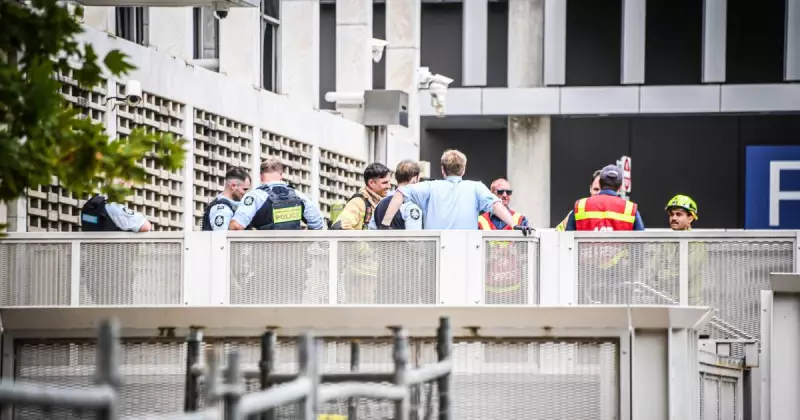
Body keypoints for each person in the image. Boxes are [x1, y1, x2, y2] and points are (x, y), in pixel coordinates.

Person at [377, 149, 530, 235]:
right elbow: (496, 205)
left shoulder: (430, 187)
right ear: (463, 169)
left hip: (436, 251)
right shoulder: (476, 187)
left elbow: (400, 193)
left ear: (442, 169)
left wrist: (385, 225)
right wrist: (514, 225)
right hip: (467, 250)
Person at [229, 157, 325, 230]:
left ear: (261, 176)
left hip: (264, 253)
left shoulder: (256, 196)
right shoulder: (299, 196)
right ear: (281, 175)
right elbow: (318, 224)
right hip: (294, 254)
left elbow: (236, 226)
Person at [479, 178, 529, 304]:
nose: (505, 196)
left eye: (509, 192)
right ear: (492, 195)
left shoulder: (520, 219)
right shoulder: (480, 221)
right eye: (500, 192)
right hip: (487, 291)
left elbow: (527, 254)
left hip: (515, 291)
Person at [564, 165, 645, 231]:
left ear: (600, 182)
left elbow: (567, 242)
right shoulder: (630, 209)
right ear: (620, 187)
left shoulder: (580, 206)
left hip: (587, 251)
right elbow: (641, 245)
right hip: (619, 252)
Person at [331, 162, 391, 230]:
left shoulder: (382, 202)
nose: (389, 186)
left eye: (389, 182)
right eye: (385, 183)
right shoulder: (358, 202)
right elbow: (341, 227)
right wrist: (360, 240)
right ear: (371, 183)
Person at [369, 160, 424, 230]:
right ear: (415, 179)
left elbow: (371, 230)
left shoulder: (380, 203)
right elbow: (414, 238)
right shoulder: (411, 205)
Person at [80, 182, 151, 233]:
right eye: (130, 181)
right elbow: (146, 226)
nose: (132, 184)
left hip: (91, 252)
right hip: (113, 252)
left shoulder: (90, 206)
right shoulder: (113, 208)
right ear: (121, 184)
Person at [201, 167, 251, 231]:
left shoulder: (232, 206)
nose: (246, 193)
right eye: (244, 189)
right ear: (233, 186)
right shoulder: (222, 210)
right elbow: (221, 238)